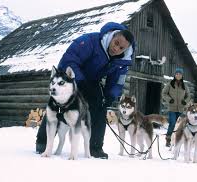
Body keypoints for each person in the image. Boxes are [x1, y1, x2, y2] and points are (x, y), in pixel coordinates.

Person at [36, 22, 135, 159]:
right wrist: (80, 81)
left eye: (121, 48)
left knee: (100, 106)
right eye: (116, 43)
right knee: (57, 106)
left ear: (126, 49)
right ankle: (43, 141)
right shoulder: (90, 41)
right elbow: (69, 59)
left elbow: (117, 81)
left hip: (93, 81)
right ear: (112, 37)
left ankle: (95, 147)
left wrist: (110, 95)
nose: (116, 48)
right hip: (72, 77)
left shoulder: (123, 61)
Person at [161, 68, 190, 147]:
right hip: (172, 108)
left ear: (182, 75)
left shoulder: (184, 85)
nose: (178, 75)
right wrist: (169, 99)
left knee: (181, 125)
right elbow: (164, 93)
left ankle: (179, 139)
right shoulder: (170, 84)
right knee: (172, 123)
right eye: (177, 74)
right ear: (175, 75)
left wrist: (185, 101)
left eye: (180, 74)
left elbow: (188, 95)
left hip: (181, 109)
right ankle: (168, 139)